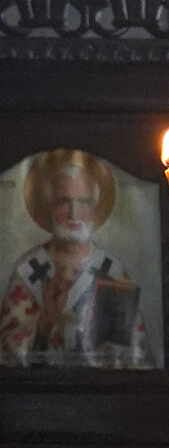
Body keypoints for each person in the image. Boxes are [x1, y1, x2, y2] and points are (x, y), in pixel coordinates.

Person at [0, 148, 150, 368]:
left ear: (95, 209)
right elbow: (8, 354)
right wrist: (45, 323)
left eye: (83, 202)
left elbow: (134, 357)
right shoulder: (29, 271)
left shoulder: (112, 272)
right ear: (49, 207)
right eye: (64, 202)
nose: (73, 213)